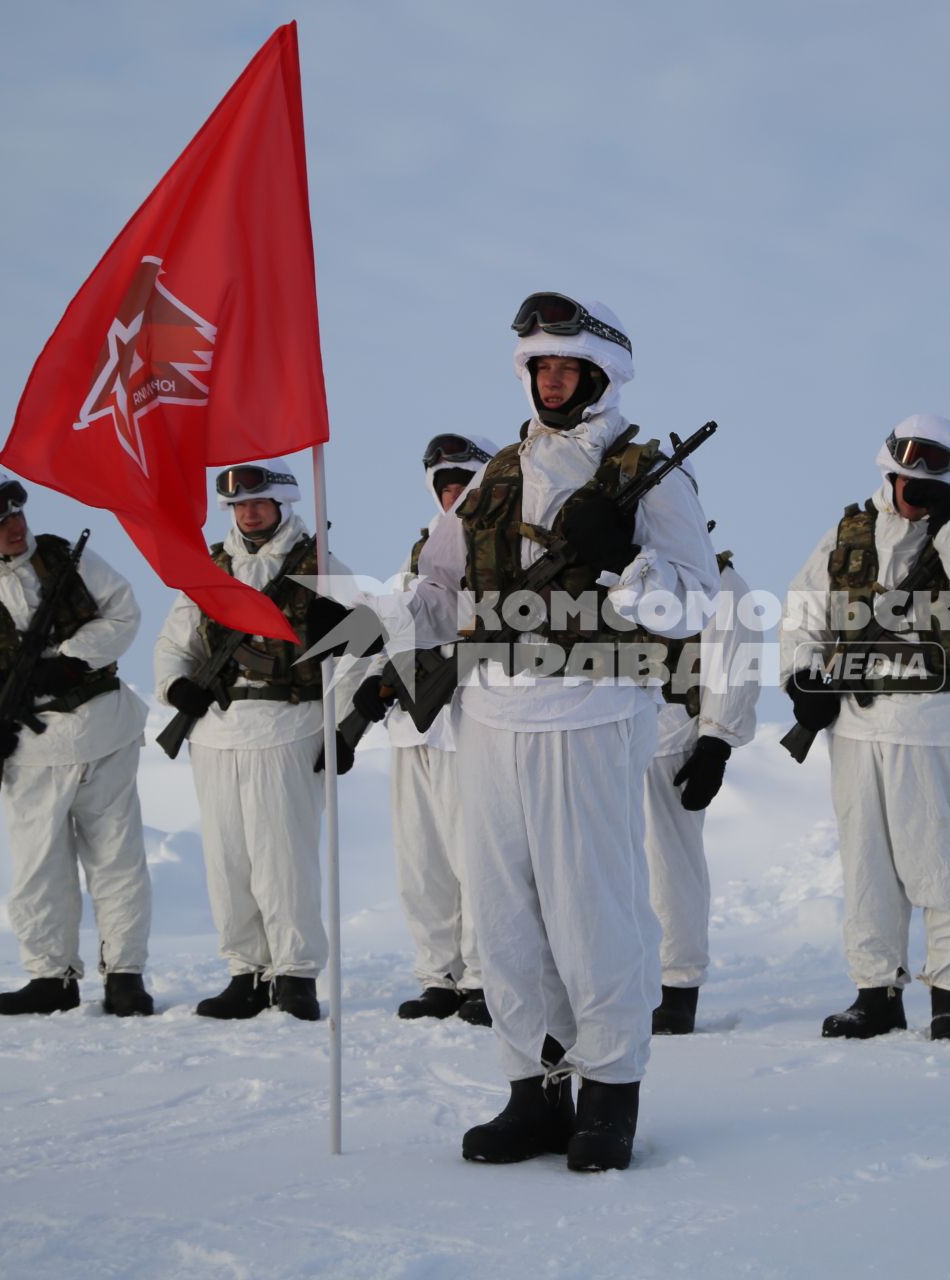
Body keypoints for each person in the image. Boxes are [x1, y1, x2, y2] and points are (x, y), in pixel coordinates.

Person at [366, 293, 718, 1171]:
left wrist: (623, 562)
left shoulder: (650, 473)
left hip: (592, 710)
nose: (553, 382)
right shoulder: (491, 477)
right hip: (488, 713)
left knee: (590, 909)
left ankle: (609, 1091)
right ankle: (532, 1088)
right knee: (504, 915)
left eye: (569, 369)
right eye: (541, 368)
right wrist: (398, 646)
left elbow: (695, 604)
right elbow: (440, 587)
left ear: (602, 376)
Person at [779, 415, 950, 1044]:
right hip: (855, 723)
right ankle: (875, 994)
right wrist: (801, 678)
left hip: (933, 722)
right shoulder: (847, 532)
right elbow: (803, 610)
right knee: (866, 868)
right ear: (887, 471)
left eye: (928, 479)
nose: (913, 489)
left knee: (939, 866)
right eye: (905, 475)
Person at [0, 467, 154, 1016]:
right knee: (38, 870)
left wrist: (71, 662)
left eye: (18, 514)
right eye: (2, 522)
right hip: (29, 751)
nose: (17, 527)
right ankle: (51, 977)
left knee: (119, 862)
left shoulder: (67, 558)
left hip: (104, 730)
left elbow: (124, 612)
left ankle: (125, 975)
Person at [152, 460, 349, 1023]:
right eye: (239, 506)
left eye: (259, 503)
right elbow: (173, 643)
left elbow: (366, 645)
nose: (249, 513)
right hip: (216, 731)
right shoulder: (209, 570)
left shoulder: (323, 567)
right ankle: (246, 971)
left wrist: (343, 727)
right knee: (227, 858)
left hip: (289, 726)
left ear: (284, 503)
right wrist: (176, 687)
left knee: (284, 859)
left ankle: (294, 975)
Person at [347, 432, 500, 1026]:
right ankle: (439, 976)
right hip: (413, 729)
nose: (453, 495)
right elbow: (390, 628)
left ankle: (487, 977)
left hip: (472, 726)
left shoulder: (501, 552)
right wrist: (364, 698)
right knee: (421, 863)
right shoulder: (412, 563)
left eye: (464, 485)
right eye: (445, 486)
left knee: (477, 861)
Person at [644, 528, 758, 1035]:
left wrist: (716, 742)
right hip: (592, 731)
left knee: (669, 866)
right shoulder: (600, 566)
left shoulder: (716, 577)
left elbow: (734, 656)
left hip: (668, 736)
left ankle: (675, 987)